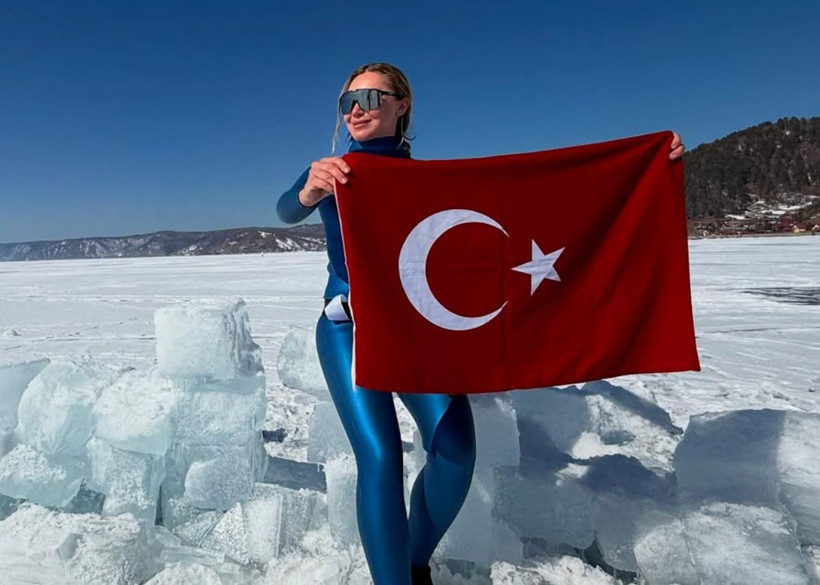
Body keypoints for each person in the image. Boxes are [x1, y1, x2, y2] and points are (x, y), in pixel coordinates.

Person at [276, 62, 685, 585]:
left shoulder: (429, 184)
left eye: (371, 98)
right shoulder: (335, 173)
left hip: (415, 332)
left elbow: (536, 200)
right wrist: (309, 191)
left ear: (401, 105)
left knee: (455, 452)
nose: (357, 110)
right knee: (379, 456)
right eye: (347, 102)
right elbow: (287, 210)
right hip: (348, 330)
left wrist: (650, 164)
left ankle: (414, 562)